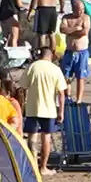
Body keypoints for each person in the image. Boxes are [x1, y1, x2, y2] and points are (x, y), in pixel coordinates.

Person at [23, 46, 65, 175]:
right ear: (50, 56)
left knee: (32, 137)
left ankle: (33, 167)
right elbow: (61, 93)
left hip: (33, 107)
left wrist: (23, 105)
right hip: (49, 109)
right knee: (46, 137)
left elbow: (23, 87)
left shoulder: (32, 67)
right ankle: (43, 167)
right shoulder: (55, 69)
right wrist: (61, 111)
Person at [59, 0, 91, 104]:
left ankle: (79, 99)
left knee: (80, 76)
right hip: (69, 51)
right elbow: (62, 29)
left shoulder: (86, 18)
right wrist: (75, 28)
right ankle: (67, 97)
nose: (81, 11)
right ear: (73, 9)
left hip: (82, 51)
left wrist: (70, 32)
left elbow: (84, 32)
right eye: (79, 10)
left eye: (82, 9)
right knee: (66, 75)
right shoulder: (67, 17)